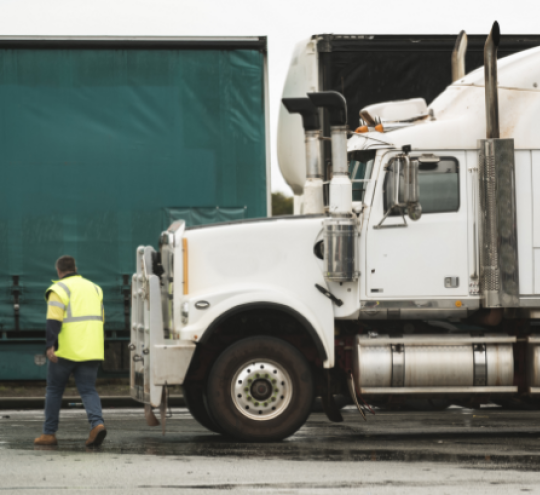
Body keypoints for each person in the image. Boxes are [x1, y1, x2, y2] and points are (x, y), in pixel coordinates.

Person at [34, 256, 107, 447]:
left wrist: (50, 346)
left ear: (58, 271)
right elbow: (101, 319)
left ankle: (49, 434)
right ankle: (97, 424)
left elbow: (53, 320)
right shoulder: (95, 288)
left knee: (54, 390)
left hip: (65, 351)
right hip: (92, 349)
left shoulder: (58, 289)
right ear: (76, 268)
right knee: (88, 390)